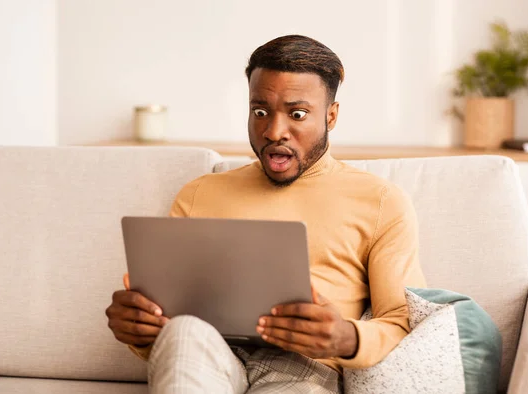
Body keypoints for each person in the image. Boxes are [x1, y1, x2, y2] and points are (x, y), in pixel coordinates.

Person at [105, 35, 426, 393]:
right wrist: (139, 330)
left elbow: (400, 321)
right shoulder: (199, 194)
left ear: (331, 116)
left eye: (297, 114)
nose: (273, 131)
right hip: (207, 351)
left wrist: (346, 338)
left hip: (305, 368)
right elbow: (167, 324)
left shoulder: (381, 201)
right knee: (183, 330)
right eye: (260, 111)